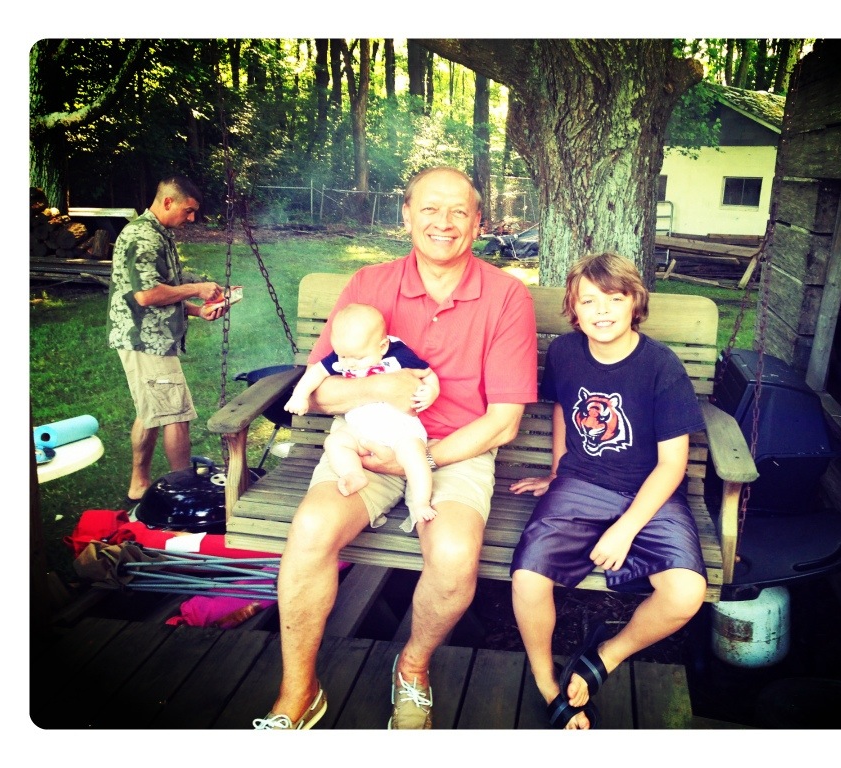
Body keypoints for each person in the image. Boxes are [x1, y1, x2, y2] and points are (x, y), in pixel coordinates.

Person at [252, 166, 538, 730]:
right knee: (311, 528)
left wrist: (420, 461)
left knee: (453, 555)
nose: (443, 222)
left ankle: (412, 667)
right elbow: (320, 392)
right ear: (406, 215)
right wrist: (383, 388)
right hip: (364, 441)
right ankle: (298, 692)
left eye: (458, 211)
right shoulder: (368, 286)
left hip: (455, 450)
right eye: (429, 208)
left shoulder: (506, 297)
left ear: (478, 223)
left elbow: (504, 423)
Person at [508, 252, 708, 730]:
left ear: (634, 302)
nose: (601, 310)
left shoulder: (660, 366)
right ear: (573, 309)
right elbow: (563, 408)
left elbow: (672, 464)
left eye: (614, 299)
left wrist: (625, 529)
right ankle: (546, 681)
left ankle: (606, 655)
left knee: (685, 593)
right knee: (528, 578)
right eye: (588, 300)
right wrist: (558, 472)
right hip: (580, 484)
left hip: (651, 492)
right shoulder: (566, 352)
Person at [107, 175, 228, 504]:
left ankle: (139, 484)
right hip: (145, 340)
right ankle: (184, 492)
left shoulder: (159, 233)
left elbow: (165, 289)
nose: (192, 218)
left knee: (151, 411)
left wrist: (197, 310)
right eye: (188, 210)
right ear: (168, 201)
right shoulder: (143, 236)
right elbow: (147, 295)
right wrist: (196, 289)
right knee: (176, 413)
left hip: (148, 337)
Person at [283, 302, 441, 525]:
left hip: (400, 429)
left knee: (415, 456)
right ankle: (354, 474)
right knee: (335, 442)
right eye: (342, 356)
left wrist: (431, 391)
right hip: (361, 429)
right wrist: (300, 395)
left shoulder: (398, 355)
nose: (349, 364)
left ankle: (421, 502)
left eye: (357, 359)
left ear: (382, 346)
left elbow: (427, 373)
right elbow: (317, 371)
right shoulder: (345, 355)